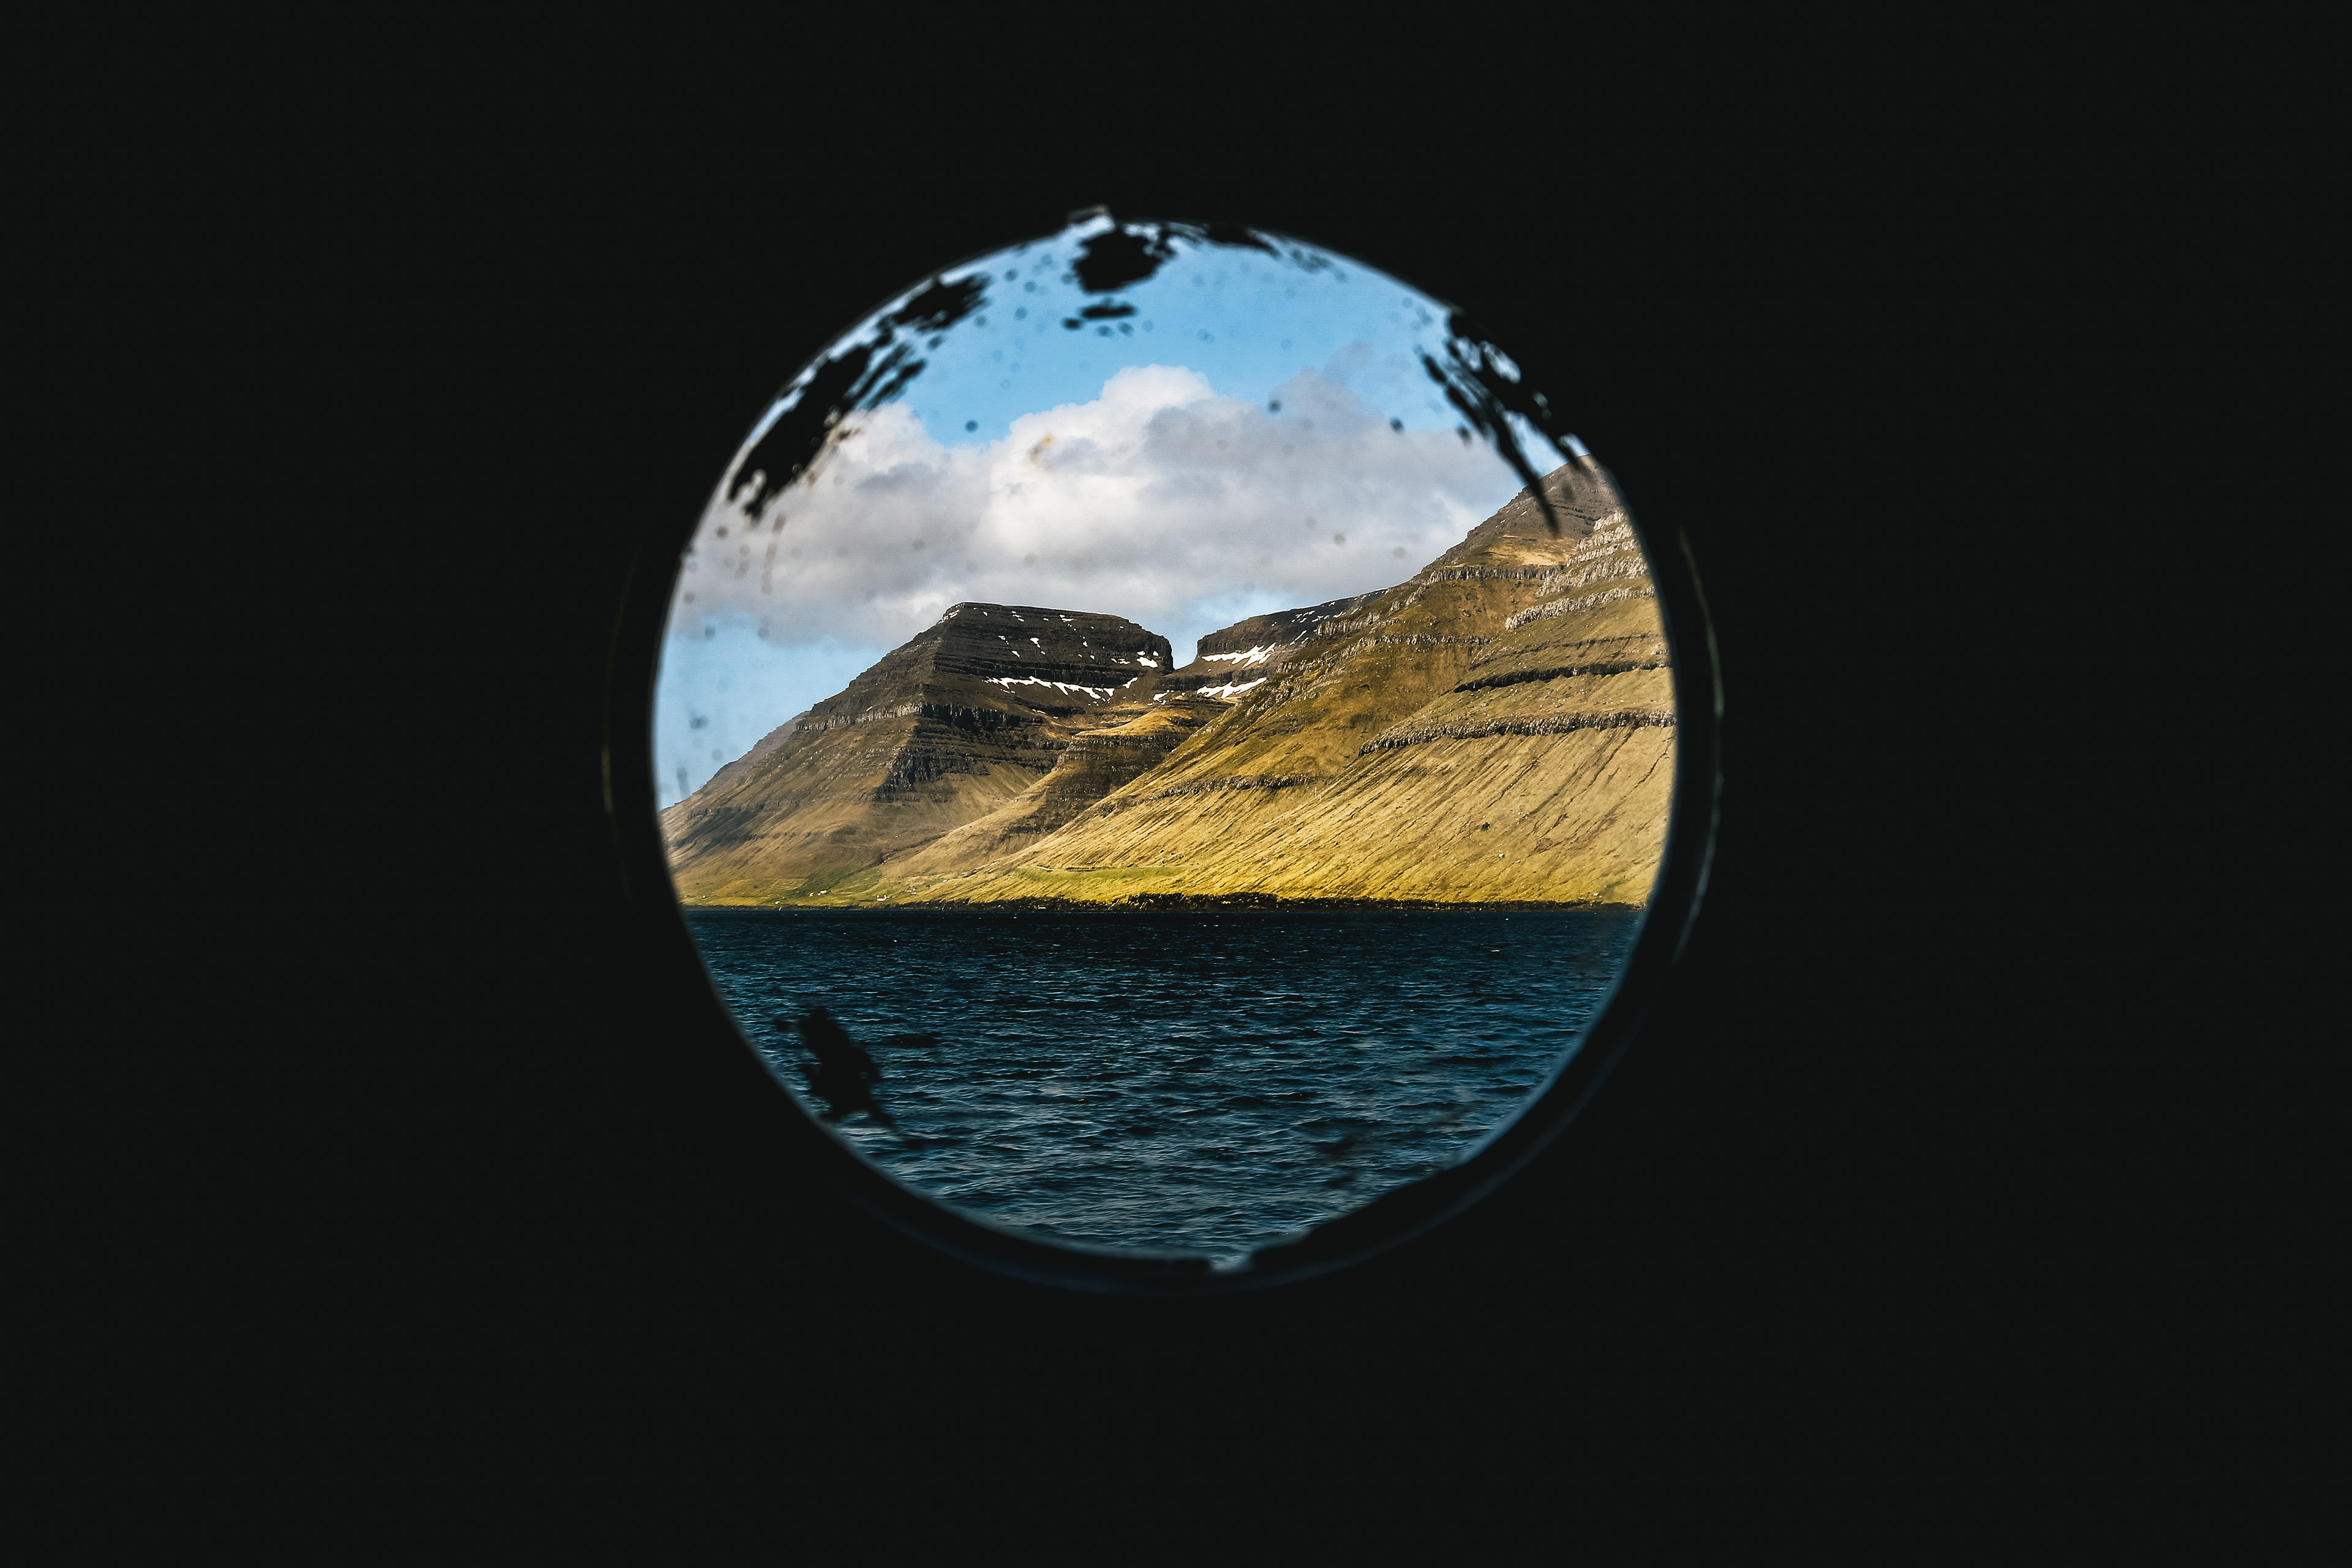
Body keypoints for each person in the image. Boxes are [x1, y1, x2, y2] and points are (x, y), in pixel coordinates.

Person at [780, 1005, 896, 1128]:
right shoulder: (826, 1032)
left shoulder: (825, 1033)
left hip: (839, 1072)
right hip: (842, 1073)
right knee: (864, 1104)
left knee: (854, 1103)